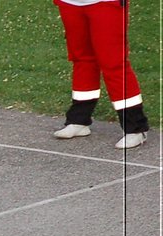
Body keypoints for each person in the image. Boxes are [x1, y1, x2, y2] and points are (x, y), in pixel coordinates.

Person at [51, 0, 149, 149]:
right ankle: (79, 120)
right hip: (71, 3)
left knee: (113, 63)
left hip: (106, 2)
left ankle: (135, 128)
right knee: (82, 59)